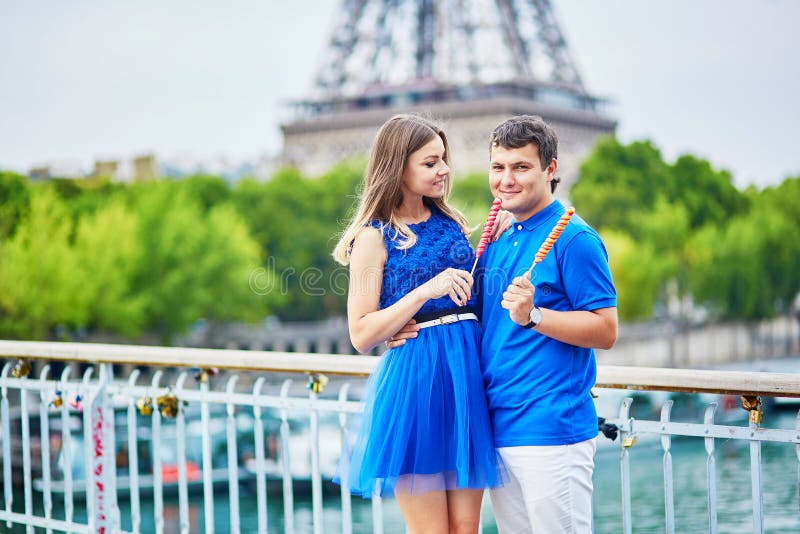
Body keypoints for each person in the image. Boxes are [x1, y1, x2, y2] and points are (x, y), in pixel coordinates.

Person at [390, 115, 618, 532]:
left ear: (550, 170)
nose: (507, 179)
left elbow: (605, 330)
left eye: (521, 167)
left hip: (551, 429)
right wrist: (404, 329)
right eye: (499, 167)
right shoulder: (498, 238)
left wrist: (535, 316)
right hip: (497, 428)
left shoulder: (575, 239)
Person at [332, 114, 505, 533]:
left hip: (465, 381)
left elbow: (471, 295)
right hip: (417, 386)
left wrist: (494, 242)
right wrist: (425, 292)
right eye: (430, 163)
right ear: (398, 167)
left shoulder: (452, 223)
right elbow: (360, 333)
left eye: (443, 159)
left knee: (467, 529)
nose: (444, 169)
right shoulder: (374, 238)